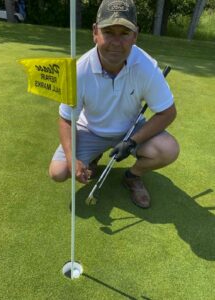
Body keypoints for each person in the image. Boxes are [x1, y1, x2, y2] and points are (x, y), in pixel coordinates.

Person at [49, 0, 180, 209]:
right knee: (58, 171)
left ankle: (132, 176)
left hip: (129, 131)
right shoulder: (78, 71)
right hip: (90, 130)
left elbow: (167, 112)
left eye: (124, 33)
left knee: (169, 149)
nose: (116, 42)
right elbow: (66, 118)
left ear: (135, 35)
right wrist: (72, 158)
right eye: (109, 32)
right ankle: (93, 156)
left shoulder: (146, 66)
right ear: (95, 32)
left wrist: (132, 142)